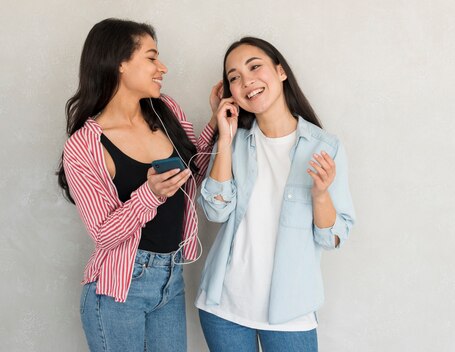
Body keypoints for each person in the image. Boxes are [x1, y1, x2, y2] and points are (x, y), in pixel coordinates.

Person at [57, 18, 216, 351]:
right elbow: (103, 233)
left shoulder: (165, 110)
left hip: (171, 280)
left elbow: (193, 175)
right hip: (119, 289)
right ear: (120, 65)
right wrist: (150, 194)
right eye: (152, 57)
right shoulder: (84, 146)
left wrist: (216, 122)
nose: (163, 67)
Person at [196, 37, 356, 352]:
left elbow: (332, 238)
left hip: (290, 314)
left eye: (255, 66)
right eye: (234, 77)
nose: (246, 81)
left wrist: (321, 195)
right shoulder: (234, 143)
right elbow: (215, 211)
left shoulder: (325, 147)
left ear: (280, 71)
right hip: (222, 307)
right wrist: (224, 139)